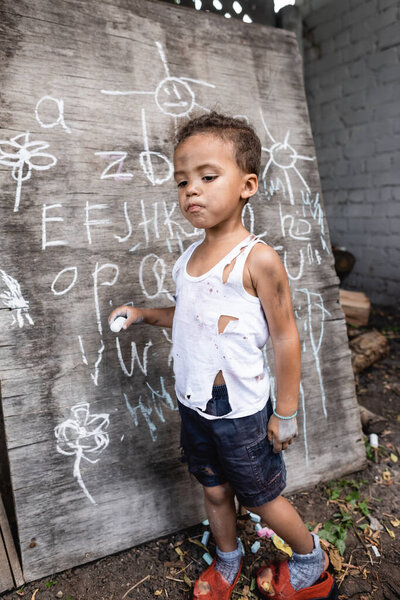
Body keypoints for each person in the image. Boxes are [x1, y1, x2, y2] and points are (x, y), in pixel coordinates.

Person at [109, 113, 337, 600]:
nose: (192, 190)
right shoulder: (187, 258)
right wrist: (146, 314)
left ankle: (311, 562)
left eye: (208, 177)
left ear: (247, 185)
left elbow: (286, 337)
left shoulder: (258, 259)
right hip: (194, 404)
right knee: (214, 490)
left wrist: (287, 412)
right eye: (182, 181)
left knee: (262, 498)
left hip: (240, 413)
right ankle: (228, 557)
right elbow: (191, 316)